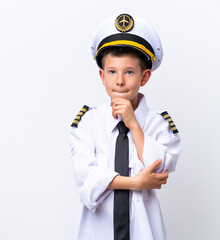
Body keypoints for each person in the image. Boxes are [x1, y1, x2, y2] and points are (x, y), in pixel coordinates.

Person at [69, 13, 181, 240]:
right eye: (112, 72)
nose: (119, 80)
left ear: (145, 76)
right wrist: (135, 183)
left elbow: (160, 170)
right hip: (97, 233)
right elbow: (86, 179)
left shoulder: (159, 124)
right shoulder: (88, 123)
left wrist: (134, 125)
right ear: (102, 76)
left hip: (144, 232)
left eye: (129, 72)